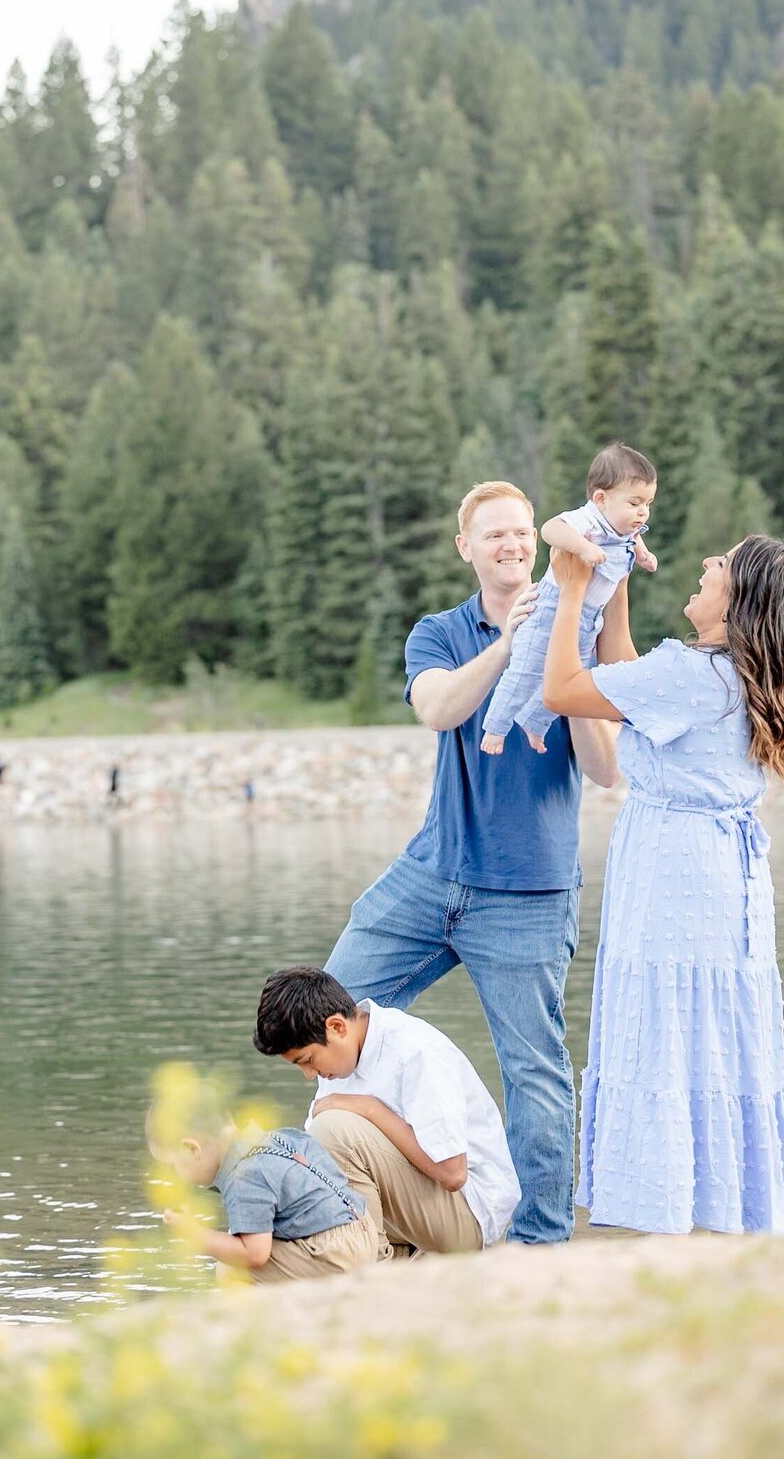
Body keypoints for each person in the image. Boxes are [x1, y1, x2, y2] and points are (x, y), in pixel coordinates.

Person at [324, 481, 620, 1246]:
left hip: (528, 891)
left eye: (523, 533)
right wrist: (507, 648)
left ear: (539, 542)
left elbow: (607, 770)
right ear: (466, 548)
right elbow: (438, 708)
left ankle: (541, 1240)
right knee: (329, 1009)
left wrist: (571, 674)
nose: (513, 545)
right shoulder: (439, 632)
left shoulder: (572, 628)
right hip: (432, 875)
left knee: (536, 1073)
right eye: (494, 536)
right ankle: (367, 1211)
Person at [543, 533, 784, 1235]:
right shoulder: (734, 675)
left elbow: (562, 691)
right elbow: (630, 677)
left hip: (674, 869)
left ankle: (666, 1205)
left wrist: (575, 590)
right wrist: (618, 587)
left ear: (740, 603)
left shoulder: (692, 676)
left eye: (721, 566)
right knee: (720, 1026)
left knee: (667, 1022)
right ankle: (732, 1202)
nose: (705, 566)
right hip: (726, 878)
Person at [254, 967, 520, 1258]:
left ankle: (370, 1265)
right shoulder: (338, 1062)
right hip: (412, 1215)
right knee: (263, 1249)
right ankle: (385, 1257)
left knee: (332, 1129)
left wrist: (369, 1109)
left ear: (337, 1027)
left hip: (469, 1215)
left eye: (308, 1060)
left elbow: (452, 1172)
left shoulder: (415, 1051)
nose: (308, 1074)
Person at [481, 443, 658, 756]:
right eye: (635, 502)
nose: (642, 511)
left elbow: (633, 538)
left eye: (648, 503)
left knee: (568, 677)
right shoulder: (587, 519)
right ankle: (495, 726)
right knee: (528, 669)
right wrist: (583, 548)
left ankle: (533, 723)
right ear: (601, 499)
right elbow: (551, 529)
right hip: (552, 607)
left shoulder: (624, 527)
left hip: (589, 617)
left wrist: (642, 553)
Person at [147, 1093, 377, 1284]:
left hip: (337, 1255)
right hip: (365, 1230)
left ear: (191, 1149)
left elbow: (254, 1254)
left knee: (232, 1269)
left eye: (172, 1165)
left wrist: (194, 1233)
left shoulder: (244, 1174)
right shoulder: (279, 1138)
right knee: (239, 1237)